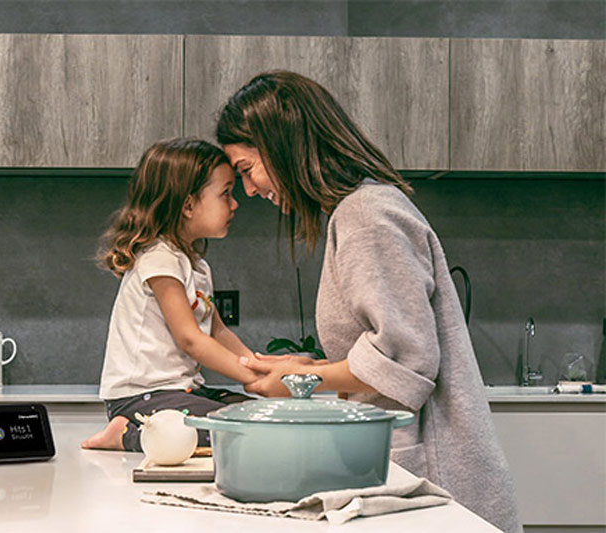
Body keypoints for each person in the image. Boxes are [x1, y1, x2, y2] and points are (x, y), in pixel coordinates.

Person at [215, 71, 521, 533]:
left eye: (246, 170)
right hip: (403, 473)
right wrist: (311, 364)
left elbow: (406, 362)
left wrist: (302, 378)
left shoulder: (367, 216)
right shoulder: (358, 212)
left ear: (283, 145)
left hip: (432, 481)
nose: (250, 190)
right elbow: (381, 348)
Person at [81, 138, 257, 452]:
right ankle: (126, 433)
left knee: (258, 418)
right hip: (141, 398)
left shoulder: (196, 265)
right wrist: (249, 376)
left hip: (181, 393)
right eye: (225, 193)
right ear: (188, 205)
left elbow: (218, 331)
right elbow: (190, 338)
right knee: (237, 431)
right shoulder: (159, 259)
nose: (235, 204)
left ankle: (150, 430)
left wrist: (256, 368)